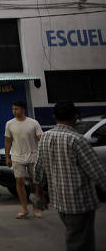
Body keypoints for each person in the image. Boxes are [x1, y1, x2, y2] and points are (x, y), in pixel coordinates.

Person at [35, 101, 106, 251]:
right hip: (80, 203)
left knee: (75, 236)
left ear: (54, 117)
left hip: (59, 201)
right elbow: (98, 173)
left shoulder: (45, 137)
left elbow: (39, 169)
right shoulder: (77, 140)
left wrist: (39, 192)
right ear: (75, 116)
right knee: (80, 242)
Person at [4, 100, 43, 218]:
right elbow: (8, 141)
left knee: (36, 183)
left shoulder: (33, 123)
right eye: (13, 109)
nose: (14, 111)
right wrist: (7, 156)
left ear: (23, 109)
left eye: (16, 109)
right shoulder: (9, 124)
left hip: (33, 156)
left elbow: (40, 138)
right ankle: (24, 209)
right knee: (19, 181)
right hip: (17, 156)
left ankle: (36, 208)